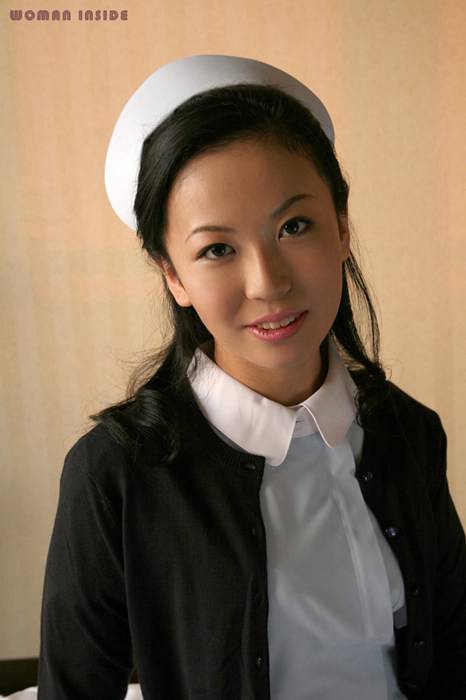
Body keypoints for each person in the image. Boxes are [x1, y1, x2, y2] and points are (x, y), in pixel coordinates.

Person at [37, 54, 466, 700]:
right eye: (217, 249)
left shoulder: (409, 432)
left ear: (342, 226)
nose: (268, 283)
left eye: (294, 226)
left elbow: (454, 655)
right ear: (173, 275)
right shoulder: (114, 474)